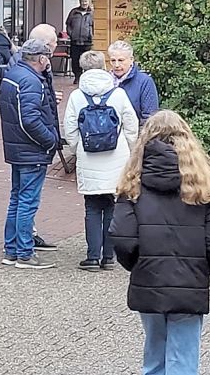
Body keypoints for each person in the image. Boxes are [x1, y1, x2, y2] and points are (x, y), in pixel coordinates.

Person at [110, 110, 210, 375]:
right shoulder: (204, 187)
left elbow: (122, 239)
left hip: (149, 279)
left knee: (154, 357)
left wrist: (140, 265)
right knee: (184, 362)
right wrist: (198, 267)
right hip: (189, 282)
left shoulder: (132, 186)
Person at [64, 51, 139, 271]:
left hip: (89, 157)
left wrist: (79, 149)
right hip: (117, 158)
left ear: (83, 68)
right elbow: (131, 124)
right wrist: (128, 149)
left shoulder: (77, 96)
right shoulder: (117, 93)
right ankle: (109, 256)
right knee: (113, 206)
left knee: (92, 208)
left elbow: (70, 128)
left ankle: (92, 256)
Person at [0, 39, 60, 269]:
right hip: (31, 150)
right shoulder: (31, 81)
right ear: (42, 58)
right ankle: (24, 253)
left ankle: (12, 249)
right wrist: (51, 140)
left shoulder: (13, 75)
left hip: (17, 148)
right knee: (27, 201)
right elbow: (30, 120)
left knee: (16, 198)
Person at [108, 40, 160, 124]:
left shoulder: (144, 82)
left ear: (131, 59)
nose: (116, 65)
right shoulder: (105, 81)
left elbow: (150, 117)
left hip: (135, 135)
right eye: (113, 60)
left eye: (121, 60)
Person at [65, 0, 94, 84]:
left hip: (87, 42)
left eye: (86, 1)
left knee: (87, 60)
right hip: (75, 41)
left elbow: (94, 26)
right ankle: (77, 77)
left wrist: (92, 35)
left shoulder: (92, 13)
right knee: (75, 60)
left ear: (88, 2)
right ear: (80, 2)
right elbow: (68, 24)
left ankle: (86, 77)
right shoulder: (74, 12)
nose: (84, 3)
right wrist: (71, 34)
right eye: (83, 1)